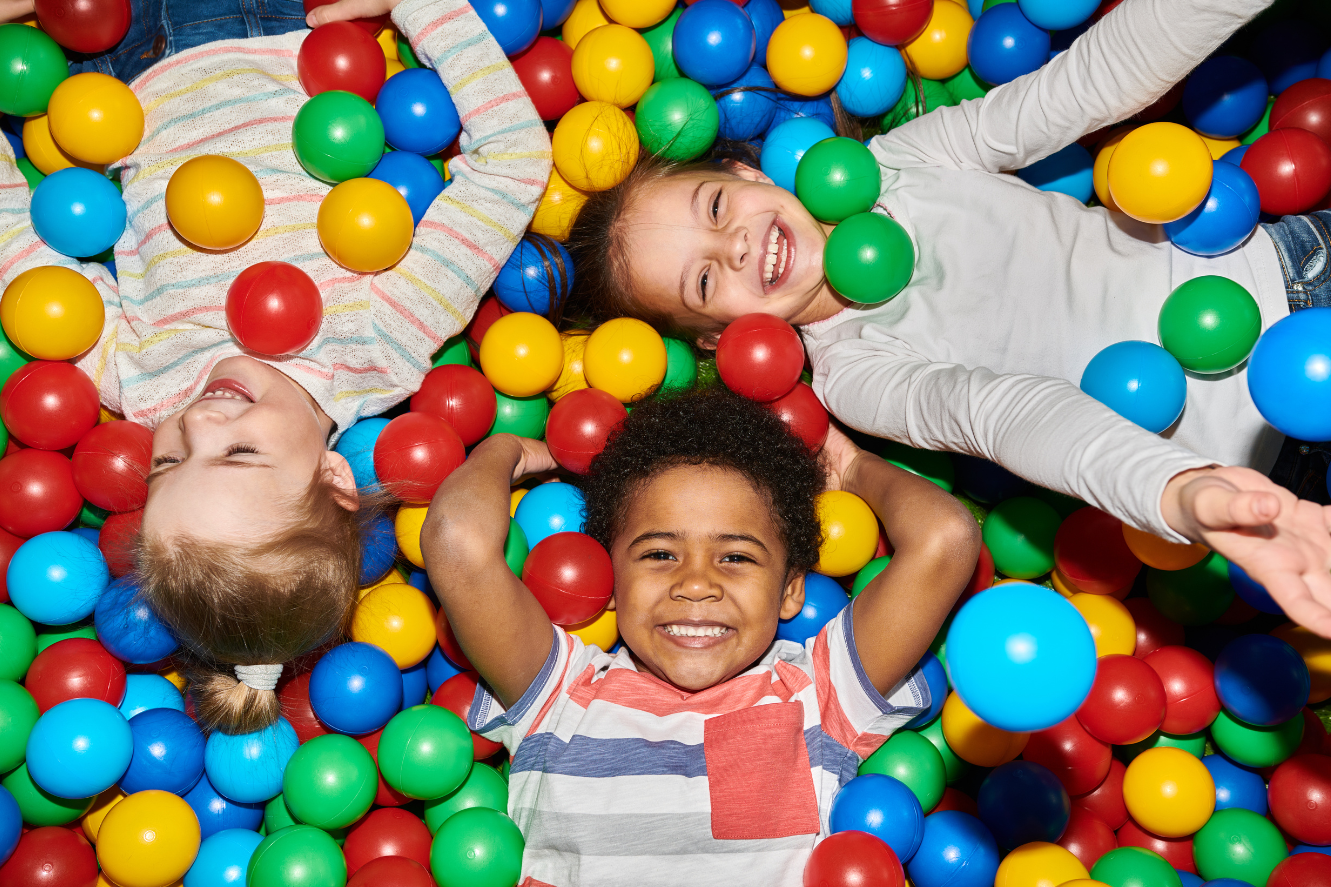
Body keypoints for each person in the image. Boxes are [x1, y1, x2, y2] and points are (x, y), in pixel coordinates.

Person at [562, 0, 1331, 637]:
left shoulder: (900, 165)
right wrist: (1184, 491)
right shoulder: (855, 370)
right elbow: (1008, 417)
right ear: (715, 336)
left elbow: (1082, 86)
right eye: (702, 279)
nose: (733, 246)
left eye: (716, 207)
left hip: (1293, 264)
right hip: (1272, 468)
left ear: (743, 170)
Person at [0, 0, 552, 732]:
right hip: (280, 24)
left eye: (167, 464)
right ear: (333, 477)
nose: (197, 420)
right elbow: (512, 162)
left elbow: (25, 259)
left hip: (113, 52)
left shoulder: (143, 382)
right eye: (239, 452)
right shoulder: (379, 340)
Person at [422, 386, 981, 887]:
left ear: (790, 590)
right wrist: (512, 452)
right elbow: (456, 543)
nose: (695, 583)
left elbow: (946, 538)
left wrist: (852, 465)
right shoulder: (561, 693)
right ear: (608, 580)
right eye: (660, 554)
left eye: (736, 557)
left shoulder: (816, 695)